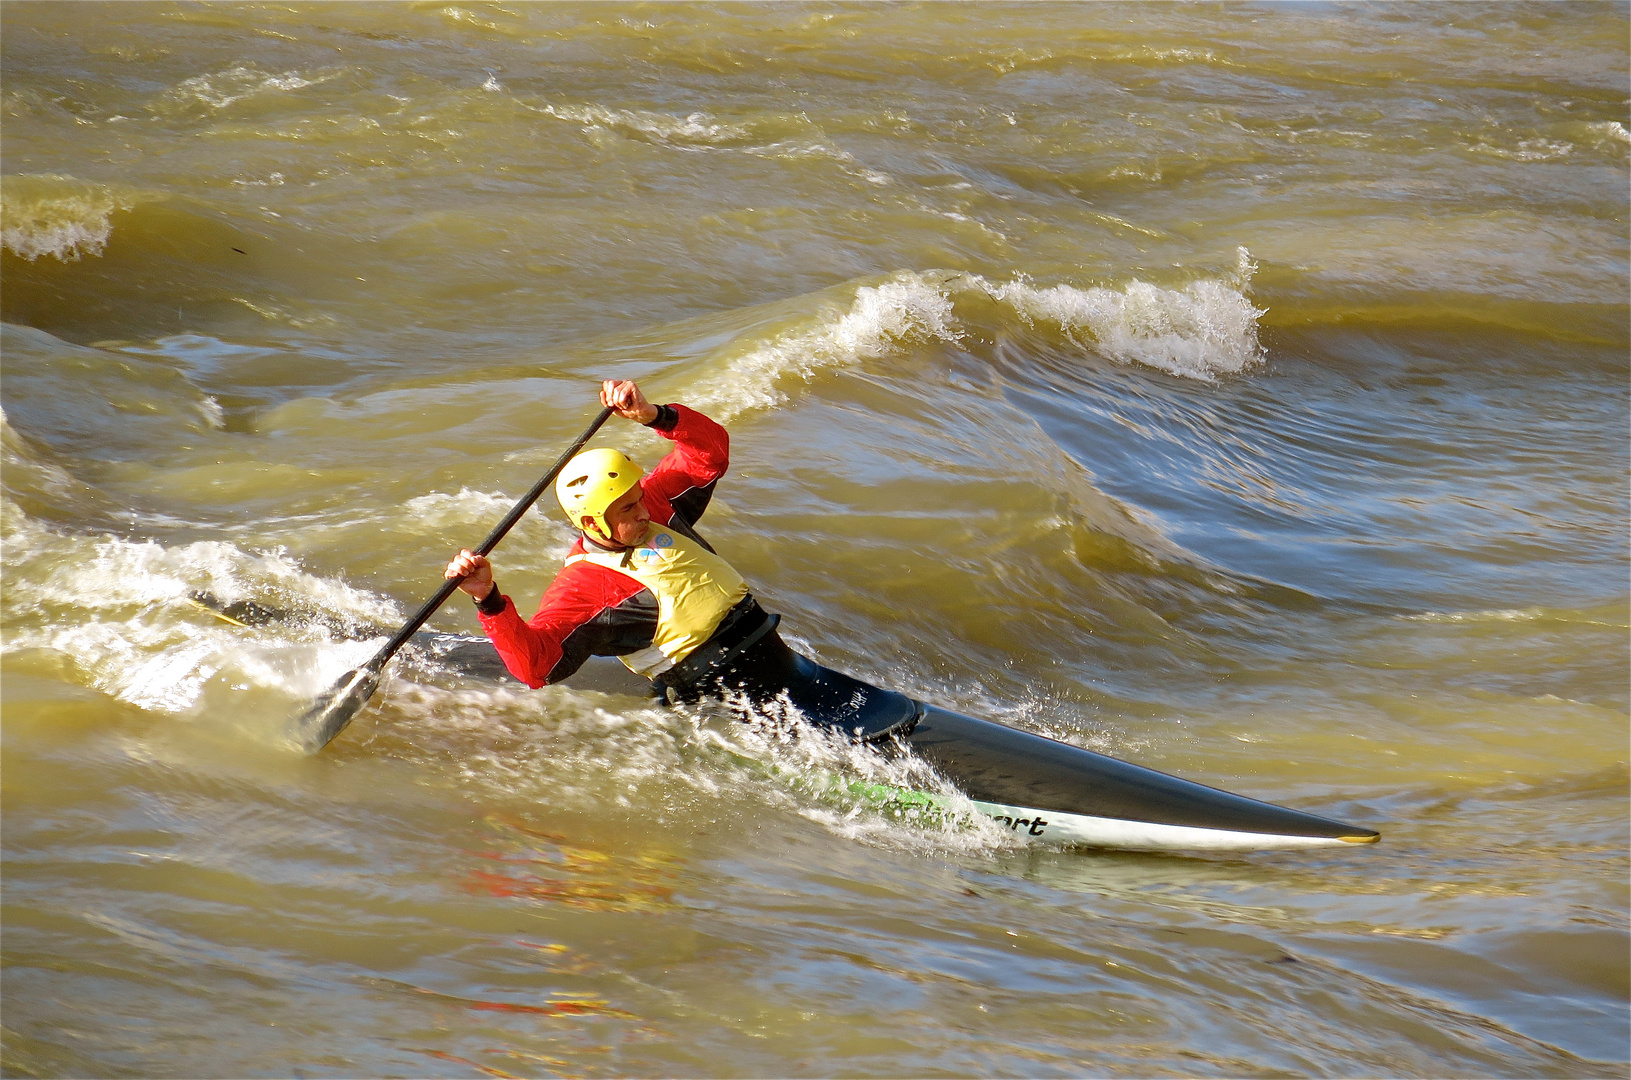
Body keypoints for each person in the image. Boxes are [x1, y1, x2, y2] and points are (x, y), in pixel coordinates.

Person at [445, 380, 917, 740]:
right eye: (628, 509)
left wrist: (655, 415)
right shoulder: (586, 587)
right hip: (727, 705)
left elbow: (709, 454)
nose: (645, 509)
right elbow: (536, 667)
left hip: (789, 671)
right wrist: (488, 598)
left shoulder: (655, 505)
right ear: (592, 525)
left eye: (638, 496)